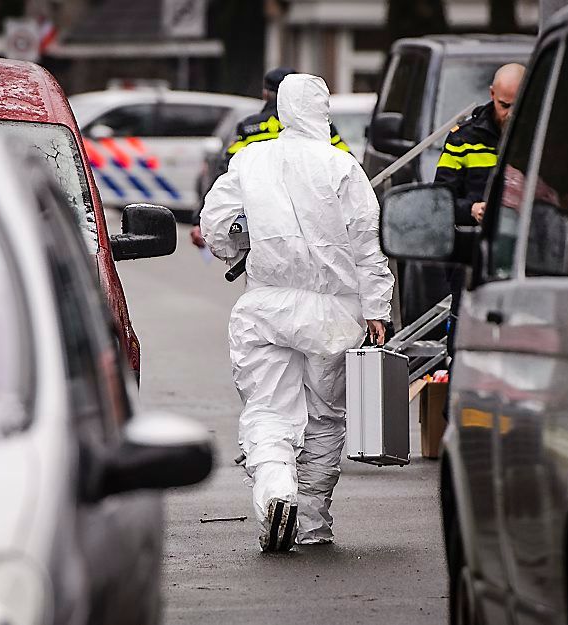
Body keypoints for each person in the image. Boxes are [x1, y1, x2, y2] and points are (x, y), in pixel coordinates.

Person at [201, 73, 394, 552]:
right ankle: (310, 522)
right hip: (333, 313)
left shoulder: (250, 159)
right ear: (323, 110)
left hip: (264, 306)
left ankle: (276, 493)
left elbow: (216, 225)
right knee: (325, 419)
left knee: (267, 410)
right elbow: (368, 246)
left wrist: (238, 248)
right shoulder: (342, 166)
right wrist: (378, 309)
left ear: (281, 108)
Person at [190, 67, 351, 248]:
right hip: (314, 220)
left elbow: (225, 174)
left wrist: (201, 221)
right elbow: (348, 166)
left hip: (260, 221)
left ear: (265, 93)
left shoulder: (250, 127)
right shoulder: (321, 128)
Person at [435, 63, 526, 224]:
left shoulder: (542, 138)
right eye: (504, 105)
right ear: (492, 94)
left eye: (519, 105)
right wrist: (471, 209)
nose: (511, 114)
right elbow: (440, 201)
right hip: (476, 240)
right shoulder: (462, 140)